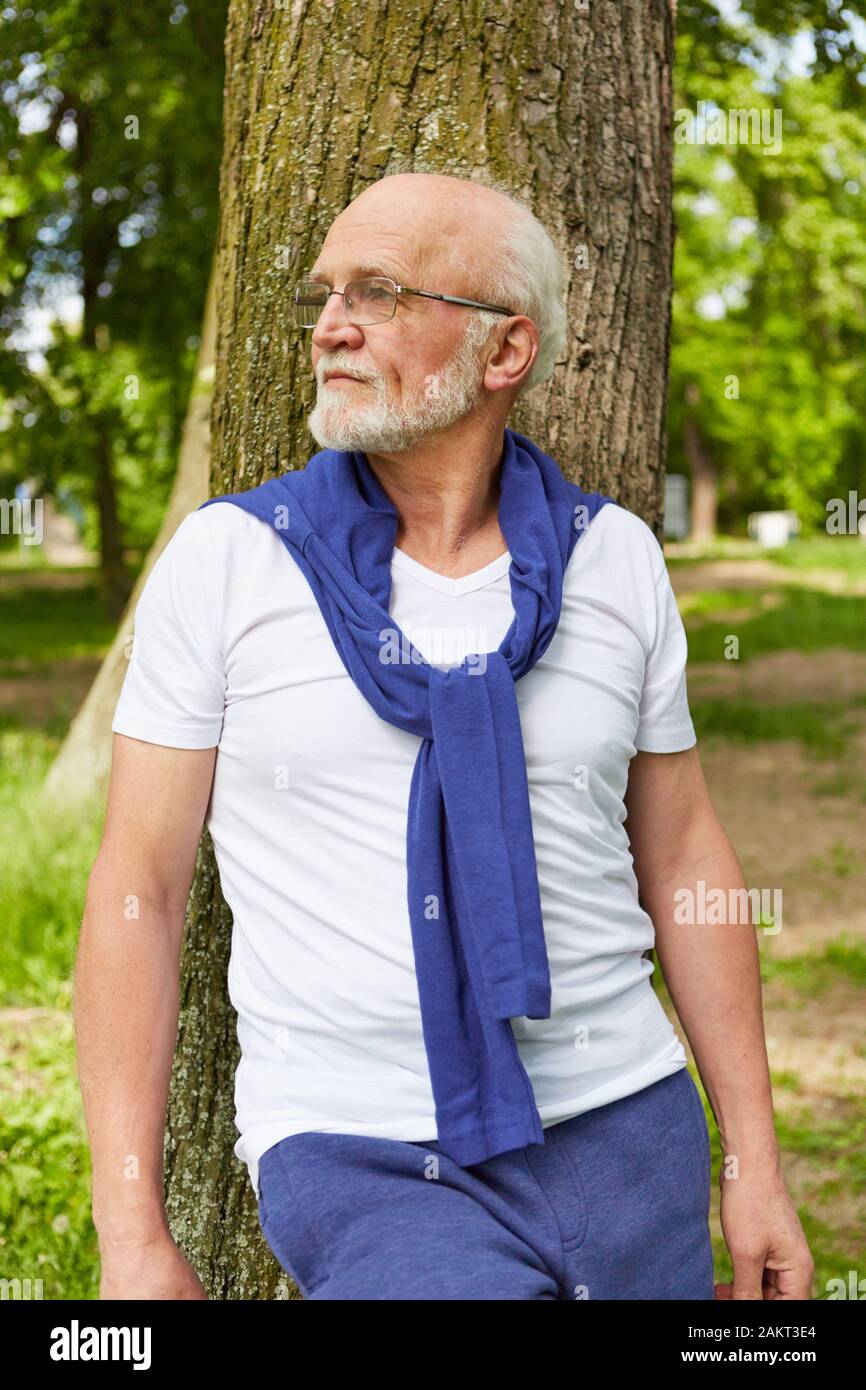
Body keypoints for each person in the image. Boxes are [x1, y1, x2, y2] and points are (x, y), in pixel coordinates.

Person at [75, 167, 814, 1301]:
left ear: (503, 350)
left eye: (378, 291)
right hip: (360, 1152)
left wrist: (752, 1159)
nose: (330, 325)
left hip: (624, 1130)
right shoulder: (229, 564)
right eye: (325, 292)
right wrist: (130, 1235)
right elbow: (139, 889)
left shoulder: (609, 558)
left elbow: (682, 861)